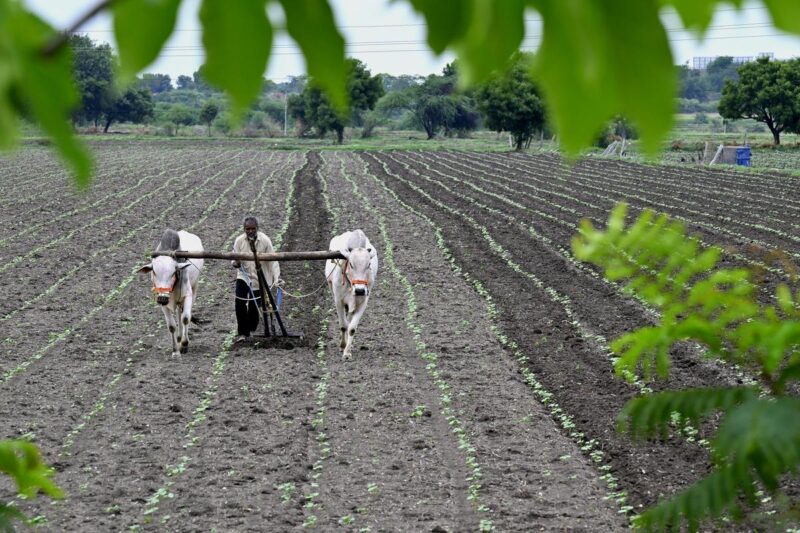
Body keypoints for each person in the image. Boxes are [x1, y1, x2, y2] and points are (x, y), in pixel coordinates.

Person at [232, 216, 281, 342]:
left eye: (252, 228)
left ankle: (251, 329)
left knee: (255, 306)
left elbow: (273, 260)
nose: (250, 231)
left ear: (257, 229)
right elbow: (234, 257)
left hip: (261, 277)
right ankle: (243, 333)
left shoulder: (265, 241)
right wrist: (235, 263)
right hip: (244, 275)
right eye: (247, 229)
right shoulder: (239, 241)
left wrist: (277, 278)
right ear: (244, 229)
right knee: (239, 302)